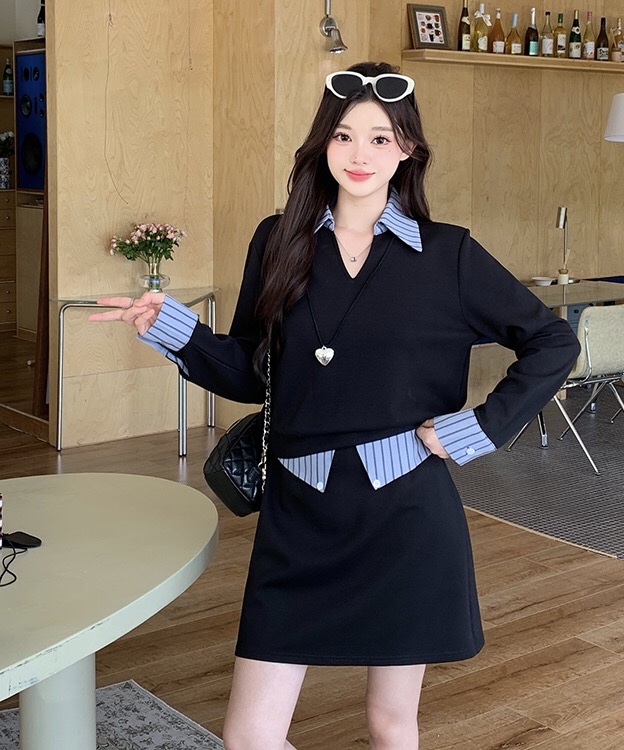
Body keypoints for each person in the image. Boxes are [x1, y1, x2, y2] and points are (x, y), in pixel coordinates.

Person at [90, 61, 580, 750]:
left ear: (408, 149)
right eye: (344, 135)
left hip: (406, 513)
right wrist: (172, 329)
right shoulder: (278, 240)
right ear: (323, 142)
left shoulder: (448, 254)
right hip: (298, 513)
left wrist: (477, 428)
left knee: (390, 723)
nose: (360, 154)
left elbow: (553, 341)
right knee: (251, 736)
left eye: (380, 138)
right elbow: (253, 371)